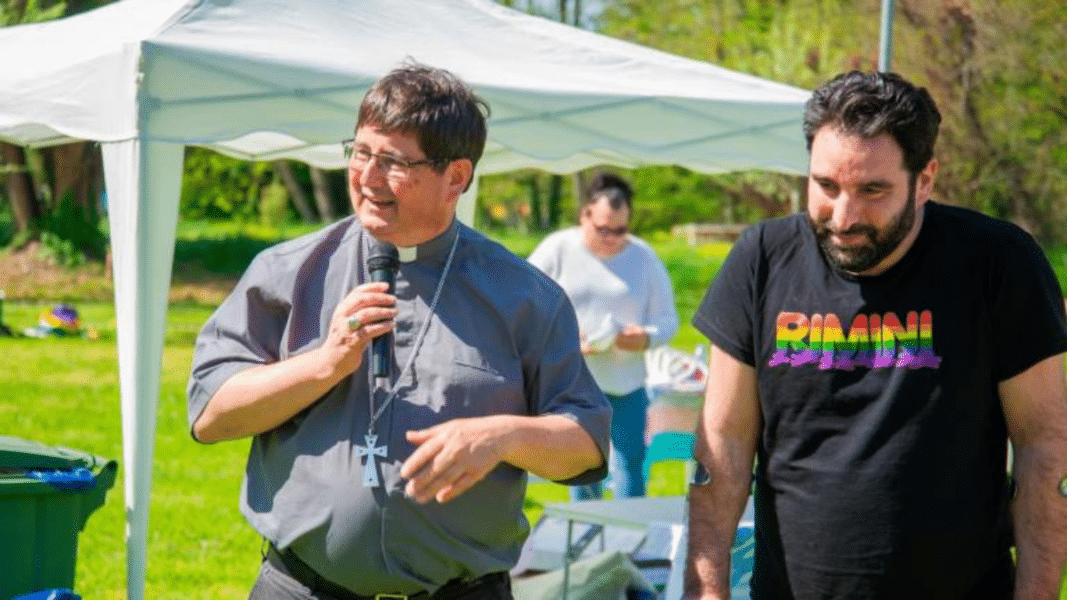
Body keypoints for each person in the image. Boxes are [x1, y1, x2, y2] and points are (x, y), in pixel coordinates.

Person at [187, 62, 610, 600]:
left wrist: (501, 436)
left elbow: (586, 444)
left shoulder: (525, 297)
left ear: (456, 177)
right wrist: (324, 364)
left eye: (392, 162)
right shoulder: (288, 271)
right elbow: (211, 415)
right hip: (302, 588)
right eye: (360, 152)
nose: (367, 177)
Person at [684, 70, 1067, 599]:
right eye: (826, 187)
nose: (844, 217)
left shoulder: (996, 263)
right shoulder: (762, 261)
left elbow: (1044, 444)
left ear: (924, 181)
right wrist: (705, 590)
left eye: (872, 190)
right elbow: (722, 445)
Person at [528, 172, 678, 499]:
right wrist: (561, 338)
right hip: (573, 382)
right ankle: (586, 529)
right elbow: (523, 302)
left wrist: (646, 337)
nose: (611, 238)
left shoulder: (643, 256)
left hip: (627, 383)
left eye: (620, 230)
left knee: (630, 465)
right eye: (603, 229)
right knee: (581, 469)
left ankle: (630, 530)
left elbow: (668, 320)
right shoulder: (557, 248)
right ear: (585, 216)